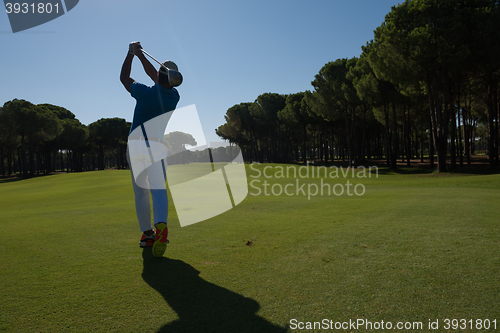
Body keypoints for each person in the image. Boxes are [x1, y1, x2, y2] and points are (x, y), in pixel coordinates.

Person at [120, 41, 181, 257]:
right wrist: (140, 55)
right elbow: (156, 76)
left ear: (160, 75)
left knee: (141, 193)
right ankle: (161, 226)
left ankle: (147, 234)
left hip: (136, 146)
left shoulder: (144, 93)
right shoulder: (174, 97)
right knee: (158, 189)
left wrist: (130, 55)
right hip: (155, 146)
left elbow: (124, 79)